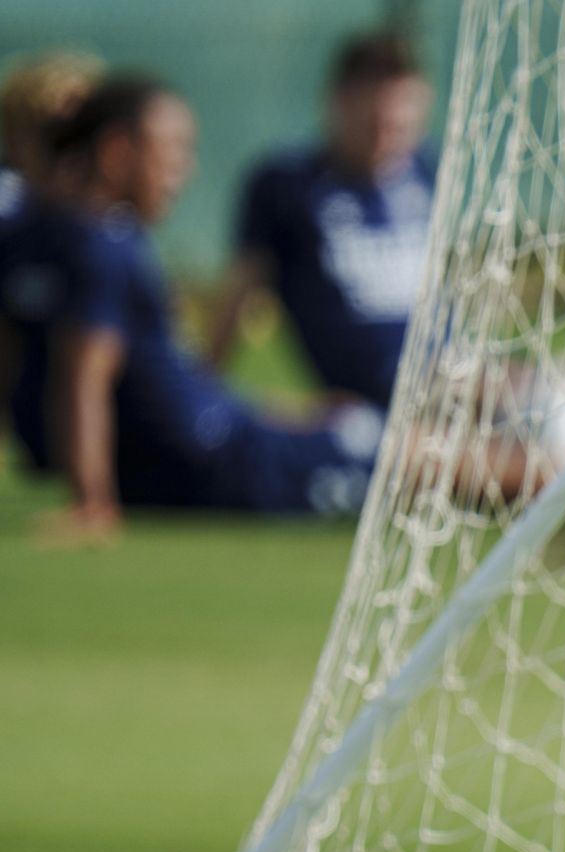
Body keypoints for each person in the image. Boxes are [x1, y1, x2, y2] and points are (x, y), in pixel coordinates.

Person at [4, 75, 398, 543]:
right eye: (172, 152)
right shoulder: (102, 245)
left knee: (363, 430)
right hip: (223, 468)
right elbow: (84, 371)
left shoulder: (34, 236)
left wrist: (289, 413)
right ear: (116, 152)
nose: (184, 171)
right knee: (412, 452)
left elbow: (167, 386)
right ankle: (512, 512)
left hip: (214, 445)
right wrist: (92, 502)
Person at [206, 31, 436, 408]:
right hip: (372, 408)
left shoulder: (427, 170)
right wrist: (203, 387)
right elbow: (242, 289)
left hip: (453, 380)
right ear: (339, 103)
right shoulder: (288, 186)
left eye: (401, 128)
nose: (388, 139)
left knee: (556, 400)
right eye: (376, 125)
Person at [0, 50, 100, 474]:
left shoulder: (104, 222)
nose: (68, 148)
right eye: (53, 130)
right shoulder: (13, 222)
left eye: (83, 131)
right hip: (52, 435)